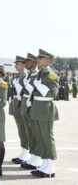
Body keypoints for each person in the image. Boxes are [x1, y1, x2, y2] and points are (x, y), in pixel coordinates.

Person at [30, 49, 59, 178]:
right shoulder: (40, 74)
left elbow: (53, 93)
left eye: (40, 58)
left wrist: (38, 86)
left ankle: (51, 166)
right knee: (41, 138)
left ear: (48, 60)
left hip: (46, 109)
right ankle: (45, 164)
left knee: (47, 138)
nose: (38, 60)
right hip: (37, 108)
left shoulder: (51, 74)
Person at [20, 53, 43, 171]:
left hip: (33, 106)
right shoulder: (30, 75)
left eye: (28, 61)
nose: (26, 64)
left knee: (35, 133)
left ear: (34, 62)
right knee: (29, 133)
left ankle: (37, 158)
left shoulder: (36, 75)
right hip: (27, 106)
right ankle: (33, 157)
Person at [10, 56, 30, 165]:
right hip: (17, 106)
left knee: (25, 131)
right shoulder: (17, 77)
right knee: (21, 131)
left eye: (17, 64)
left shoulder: (26, 76)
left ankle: (26, 154)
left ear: (23, 64)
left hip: (22, 106)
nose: (16, 66)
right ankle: (23, 152)